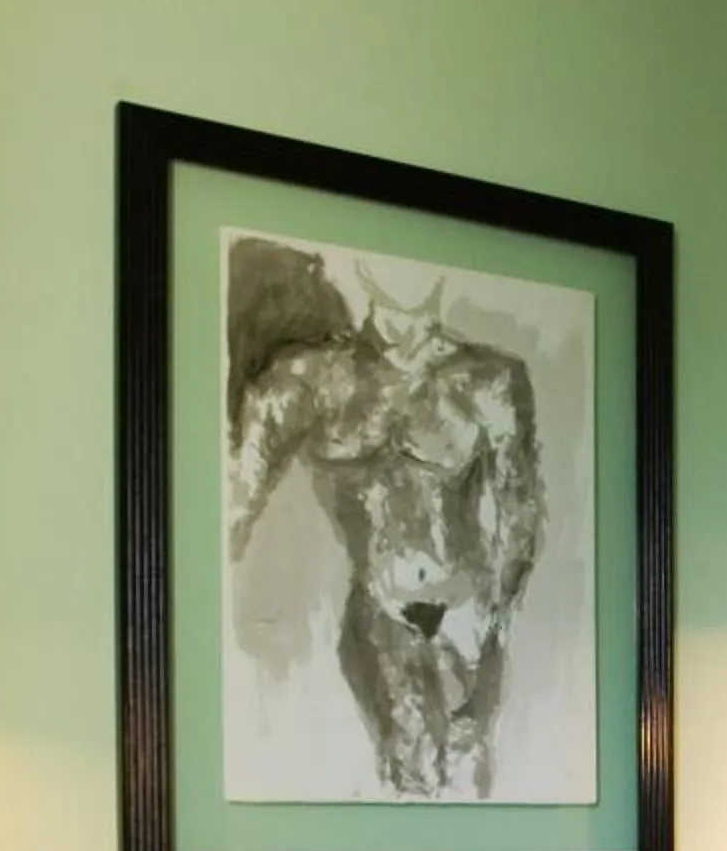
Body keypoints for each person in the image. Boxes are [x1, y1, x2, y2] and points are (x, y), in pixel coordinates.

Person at [226, 246, 546, 800]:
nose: (405, 271)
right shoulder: (313, 379)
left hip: (467, 617)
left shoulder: (490, 380)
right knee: (401, 780)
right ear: (362, 269)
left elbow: (519, 508)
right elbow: (233, 492)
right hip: (375, 613)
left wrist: (496, 617)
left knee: (470, 790)